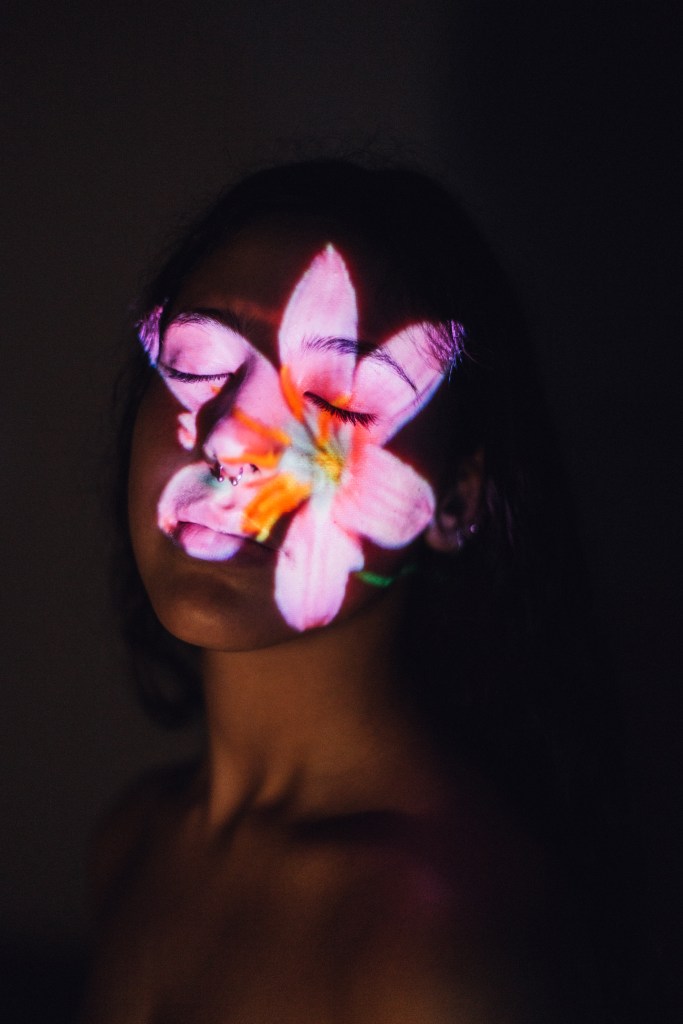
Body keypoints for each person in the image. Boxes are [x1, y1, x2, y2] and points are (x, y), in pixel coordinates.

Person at [79, 160, 621, 1022]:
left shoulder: (440, 951)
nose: (228, 442)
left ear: (457, 499)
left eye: (331, 409)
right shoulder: (132, 845)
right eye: (196, 364)